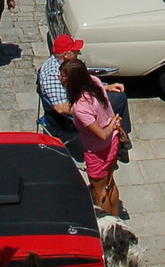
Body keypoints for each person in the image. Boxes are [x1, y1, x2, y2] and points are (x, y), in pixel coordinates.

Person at [38, 35, 133, 156]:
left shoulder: (72, 64)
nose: (78, 52)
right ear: (66, 54)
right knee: (118, 100)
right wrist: (92, 107)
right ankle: (117, 139)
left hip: (83, 98)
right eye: (75, 50)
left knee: (118, 95)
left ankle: (120, 134)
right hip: (68, 118)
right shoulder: (53, 74)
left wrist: (105, 87)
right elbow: (60, 107)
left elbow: (85, 81)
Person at [63, 58, 123, 216]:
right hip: (113, 143)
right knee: (110, 183)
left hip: (98, 151)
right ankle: (117, 218)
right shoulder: (95, 82)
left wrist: (113, 123)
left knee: (99, 192)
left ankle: (108, 228)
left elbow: (102, 134)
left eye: (63, 77)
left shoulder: (81, 107)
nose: (60, 79)